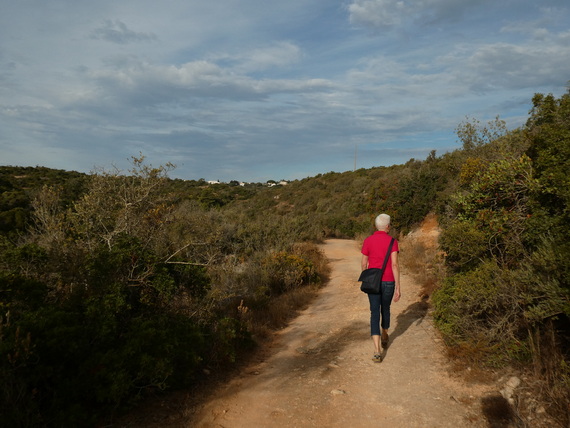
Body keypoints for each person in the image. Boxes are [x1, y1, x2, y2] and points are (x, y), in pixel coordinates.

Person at [361, 213, 400, 363]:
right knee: (386, 309)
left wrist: (366, 277)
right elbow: (395, 264)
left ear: (376, 226)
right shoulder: (393, 241)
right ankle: (385, 333)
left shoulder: (368, 241)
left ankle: (377, 350)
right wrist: (398, 286)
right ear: (388, 226)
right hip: (389, 281)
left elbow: (364, 263)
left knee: (374, 312)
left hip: (373, 282)